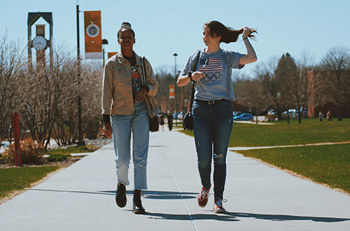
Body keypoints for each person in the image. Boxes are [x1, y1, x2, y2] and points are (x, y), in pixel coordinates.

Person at [177, 21, 257, 213]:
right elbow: (179, 82)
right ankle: (206, 186)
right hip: (201, 111)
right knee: (204, 159)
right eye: (203, 33)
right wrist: (191, 76)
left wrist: (245, 39)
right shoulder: (196, 57)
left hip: (222, 110)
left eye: (209, 34)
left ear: (218, 36)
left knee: (219, 158)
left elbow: (252, 58)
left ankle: (218, 201)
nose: (205, 37)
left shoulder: (227, 57)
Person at [102, 22, 158, 214]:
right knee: (122, 158)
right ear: (118, 40)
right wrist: (105, 118)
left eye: (129, 37)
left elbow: (154, 85)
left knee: (140, 157)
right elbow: (106, 92)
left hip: (141, 111)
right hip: (120, 114)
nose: (126, 40)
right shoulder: (111, 64)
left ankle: (138, 198)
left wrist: (146, 90)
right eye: (122, 37)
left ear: (134, 40)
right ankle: (121, 183)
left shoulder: (143, 62)